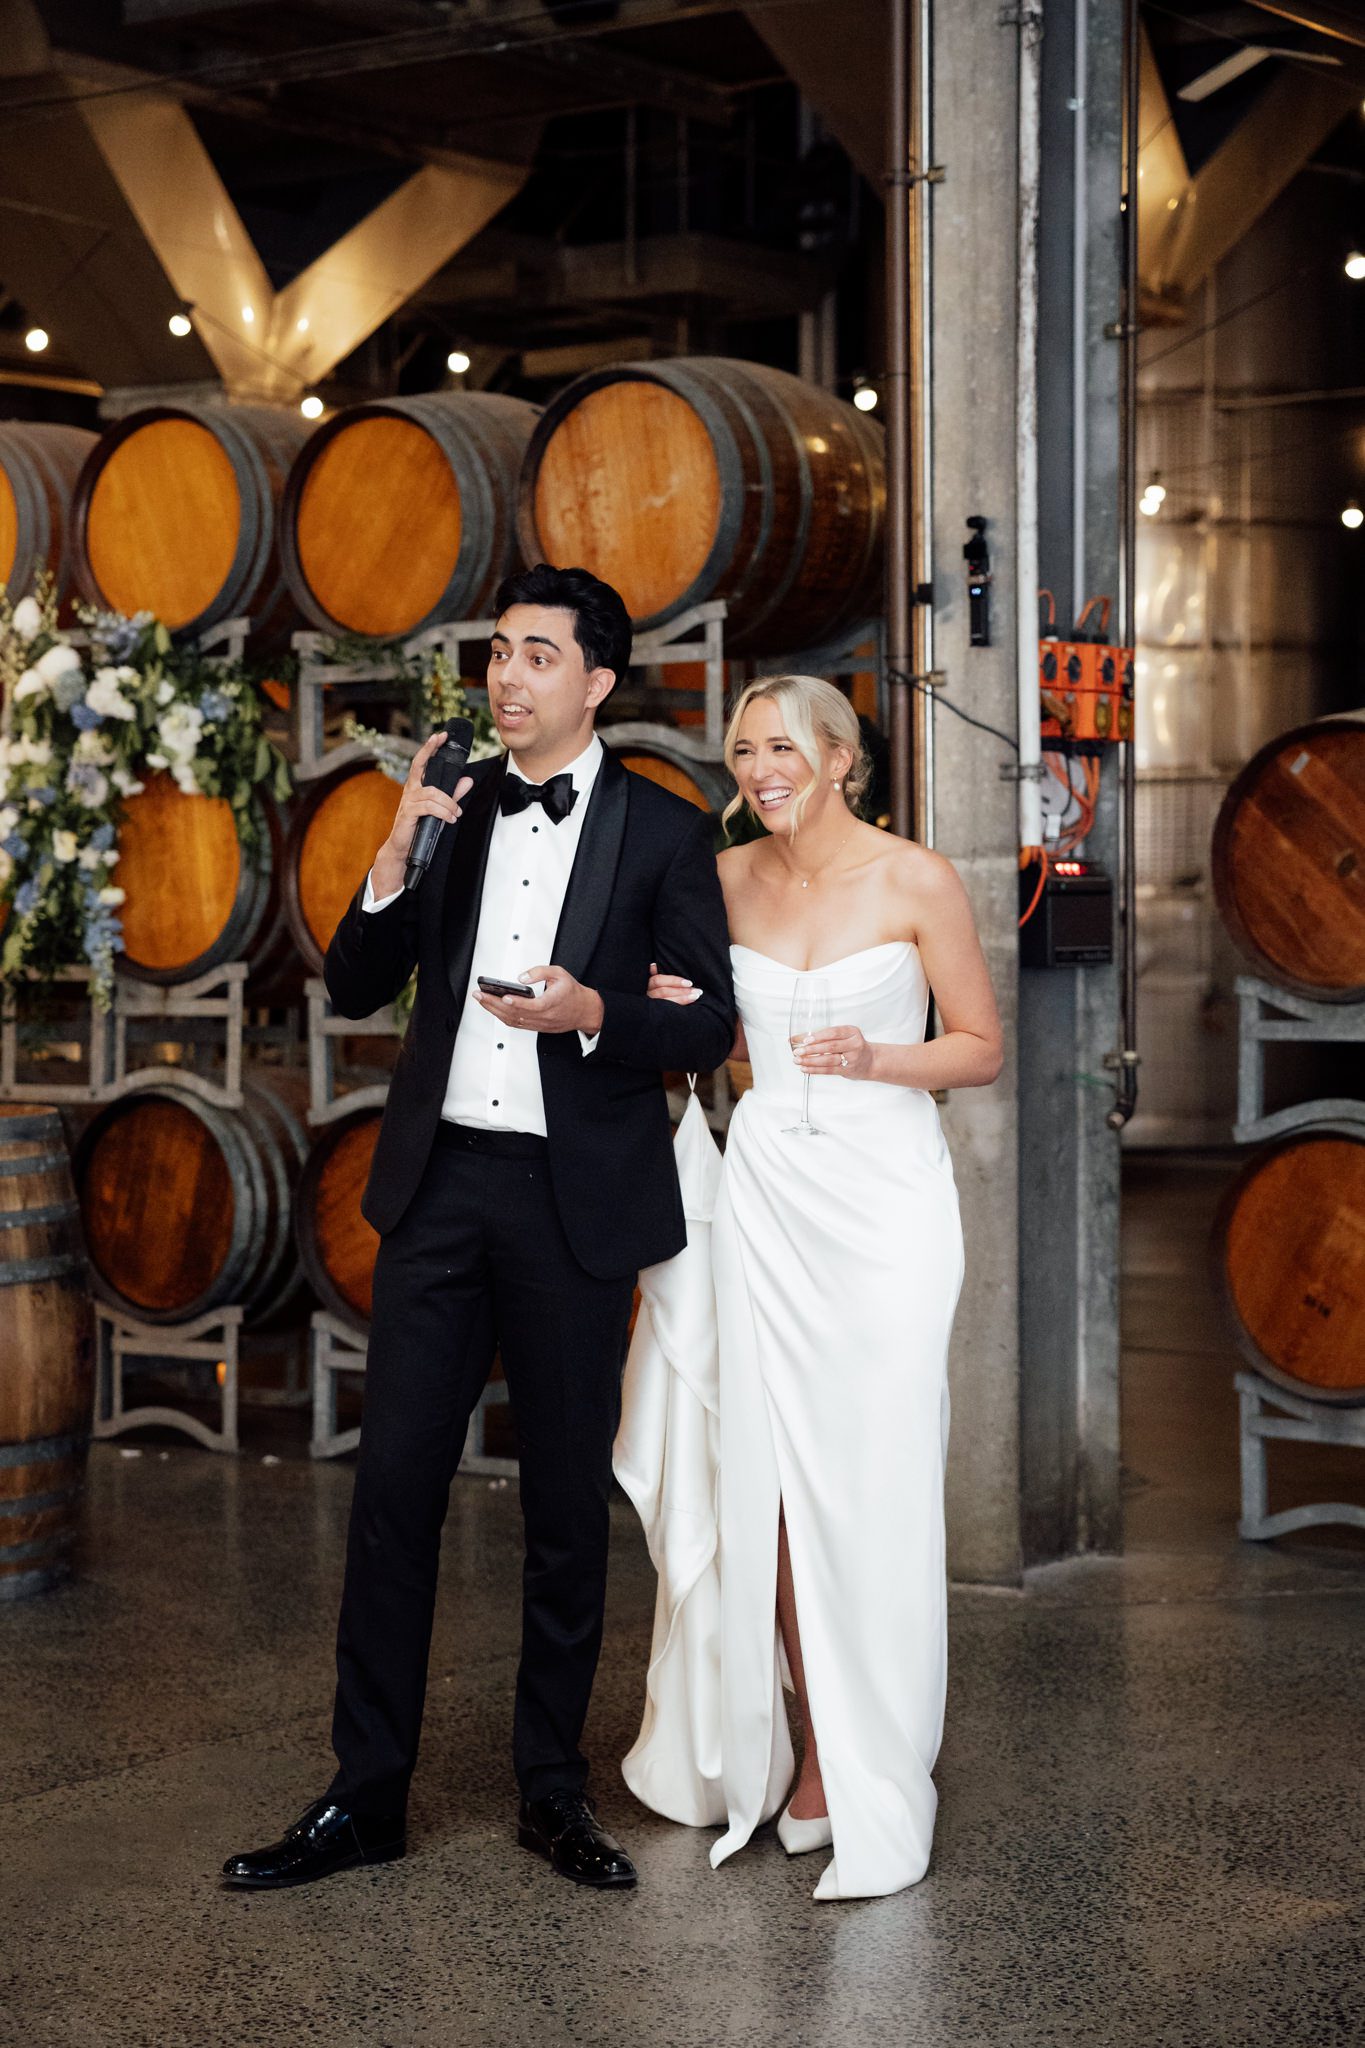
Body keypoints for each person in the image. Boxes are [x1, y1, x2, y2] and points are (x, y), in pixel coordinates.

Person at [222, 564, 734, 1894]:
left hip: (574, 1203)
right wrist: (396, 853)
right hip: (440, 1190)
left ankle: (551, 1790)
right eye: (500, 652)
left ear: (597, 682)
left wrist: (596, 1013)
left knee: (564, 1507)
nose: (507, 676)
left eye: (537, 656)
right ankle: (365, 1795)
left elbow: (707, 1026)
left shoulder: (664, 830)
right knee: (393, 1491)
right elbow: (353, 983)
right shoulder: (449, 802)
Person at [638, 673, 1001, 1901]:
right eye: (745, 750)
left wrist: (879, 1056)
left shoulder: (917, 878)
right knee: (776, 1480)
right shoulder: (725, 876)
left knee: (877, 1477)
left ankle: (879, 1751)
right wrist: (689, 1019)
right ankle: (807, 1749)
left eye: (784, 747)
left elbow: (981, 1047)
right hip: (767, 1195)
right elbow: (735, 1040)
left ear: (843, 758)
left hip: (887, 1204)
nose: (761, 769)